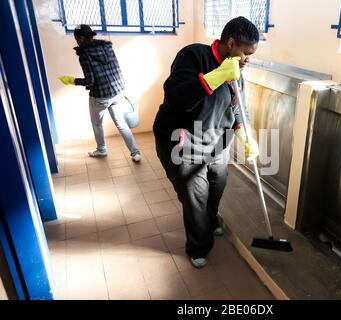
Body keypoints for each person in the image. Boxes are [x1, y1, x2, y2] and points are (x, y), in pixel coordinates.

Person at [153, 16, 260, 268]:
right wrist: (215, 77)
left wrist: (245, 136)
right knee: (196, 195)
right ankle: (199, 246)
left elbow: (236, 109)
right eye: (245, 53)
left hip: (217, 141)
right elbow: (176, 98)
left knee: (217, 185)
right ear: (231, 43)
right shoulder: (193, 55)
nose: (247, 60)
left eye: (250, 56)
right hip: (183, 142)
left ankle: (211, 221)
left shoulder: (237, 72)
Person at [59, 24, 141, 162]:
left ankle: (101, 150)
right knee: (121, 124)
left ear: (80, 38)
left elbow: (90, 81)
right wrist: (122, 89)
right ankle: (135, 152)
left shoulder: (84, 54)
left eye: (77, 38)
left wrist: (72, 80)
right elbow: (117, 69)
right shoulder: (107, 48)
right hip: (116, 92)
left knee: (97, 124)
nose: (76, 41)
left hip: (100, 96)